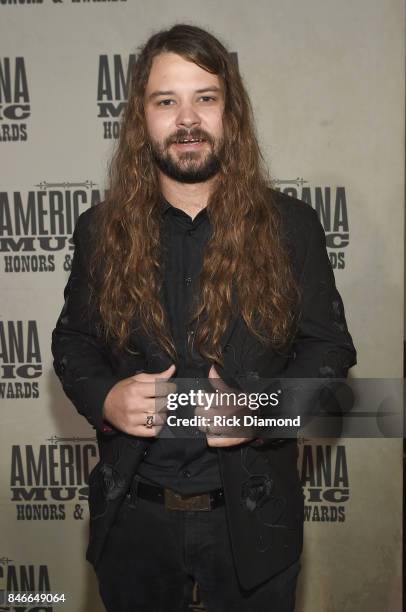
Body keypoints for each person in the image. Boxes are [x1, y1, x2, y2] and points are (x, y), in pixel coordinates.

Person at [51, 24, 356, 612]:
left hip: (253, 524)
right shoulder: (100, 230)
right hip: (134, 522)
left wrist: (260, 409)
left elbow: (329, 352)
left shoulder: (291, 227)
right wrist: (107, 398)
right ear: (142, 118)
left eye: (205, 99)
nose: (187, 119)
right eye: (166, 101)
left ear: (230, 114)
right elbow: (74, 341)